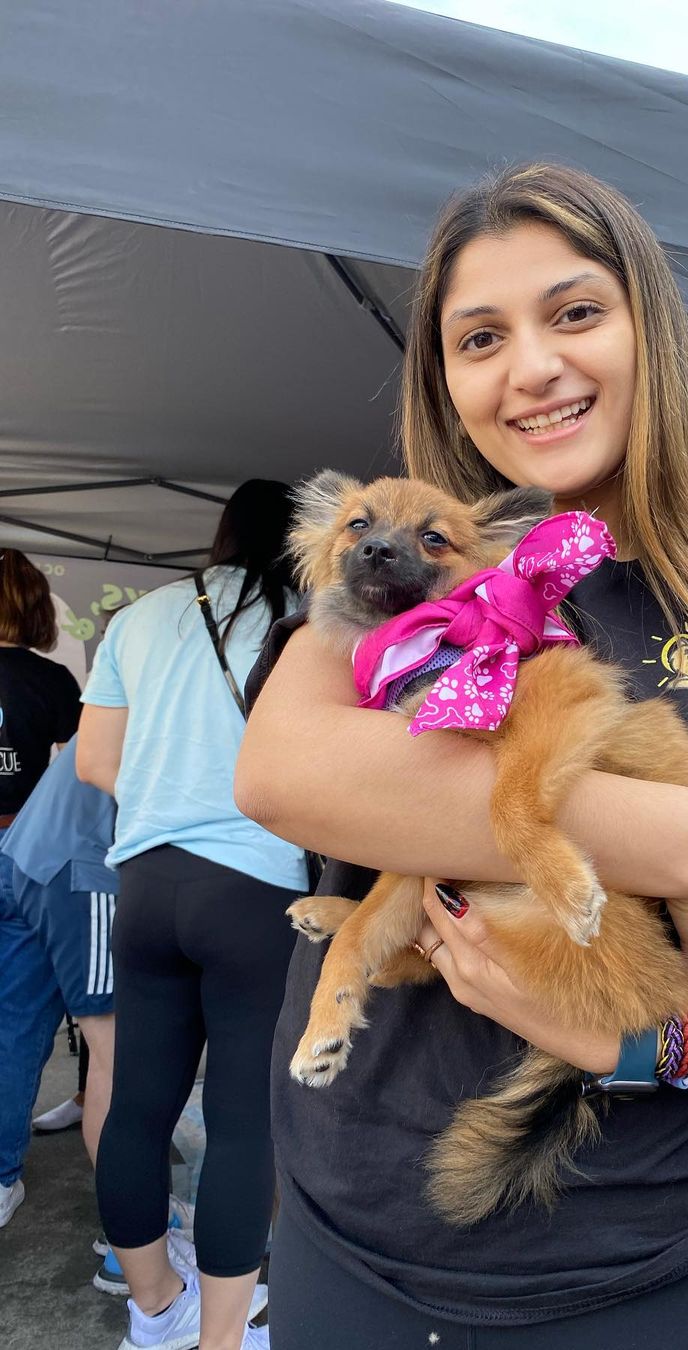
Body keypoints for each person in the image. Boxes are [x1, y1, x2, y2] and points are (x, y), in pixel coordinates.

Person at [235, 164, 688, 1350]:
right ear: (445, 378)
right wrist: (676, 834)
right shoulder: (392, 594)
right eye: (480, 337)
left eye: (574, 312)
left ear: (647, 332)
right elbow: (281, 774)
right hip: (352, 1241)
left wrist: (661, 1039)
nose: (530, 368)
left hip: (662, 1264)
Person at [77, 480, 308, 1350]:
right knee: (247, 1117)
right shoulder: (314, 620)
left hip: (144, 885)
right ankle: (221, 1339)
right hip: (257, 888)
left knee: (137, 1103)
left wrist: (165, 793)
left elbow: (95, 763)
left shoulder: (141, 617)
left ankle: (153, 1313)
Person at [0, 548, 83, 1229]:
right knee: (19, 1018)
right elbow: (84, 769)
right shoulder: (50, 681)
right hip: (26, 855)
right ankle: (0, 1172)